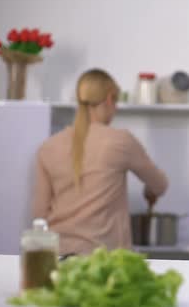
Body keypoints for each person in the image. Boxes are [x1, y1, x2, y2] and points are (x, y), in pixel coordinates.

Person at [33, 69, 168, 255]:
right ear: (110, 99)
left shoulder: (48, 147)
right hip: (105, 259)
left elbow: (39, 214)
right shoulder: (121, 141)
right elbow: (160, 184)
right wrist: (150, 192)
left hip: (58, 255)